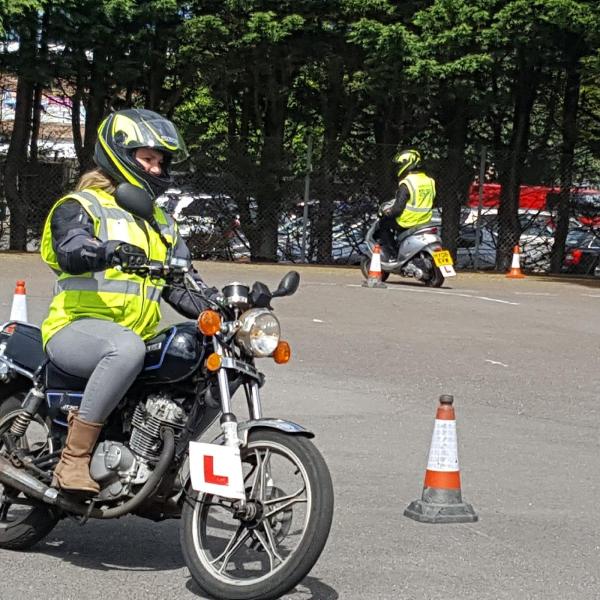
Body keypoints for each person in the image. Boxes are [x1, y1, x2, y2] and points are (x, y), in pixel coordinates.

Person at [40, 108, 215, 494]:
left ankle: (160, 467)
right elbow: (70, 248)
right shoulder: (81, 205)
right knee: (126, 348)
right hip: (76, 329)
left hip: (136, 335)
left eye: (160, 161)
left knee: (205, 355)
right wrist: (107, 251)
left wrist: (220, 306)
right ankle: (74, 459)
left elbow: (182, 283)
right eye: (147, 158)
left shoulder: (162, 222)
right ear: (119, 153)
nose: (156, 168)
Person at [376, 149, 436, 261]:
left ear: (407, 163)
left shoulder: (407, 183)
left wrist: (387, 213)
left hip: (408, 221)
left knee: (383, 224)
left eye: (400, 164)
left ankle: (393, 255)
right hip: (425, 220)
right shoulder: (430, 181)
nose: (399, 167)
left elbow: (398, 209)